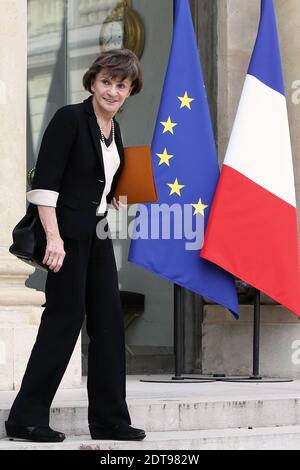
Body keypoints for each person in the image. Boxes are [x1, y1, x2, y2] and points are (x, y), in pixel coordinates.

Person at [5, 49, 146, 443]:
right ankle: (26, 419)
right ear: (92, 81)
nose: (112, 91)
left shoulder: (114, 131)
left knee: (109, 324)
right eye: (106, 82)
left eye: (121, 85)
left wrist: (116, 196)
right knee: (63, 322)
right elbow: (45, 185)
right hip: (64, 236)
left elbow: (98, 181)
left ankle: (110, 420)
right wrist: (54, 238)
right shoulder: (69, 119)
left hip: (97, 235)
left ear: (131, 90)